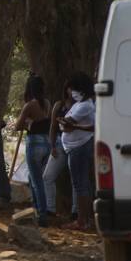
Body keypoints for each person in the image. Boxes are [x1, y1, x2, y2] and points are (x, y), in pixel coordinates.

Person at [13, 74, 51, 226]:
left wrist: (28, 122)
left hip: (34, 143)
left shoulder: (30, 105)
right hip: (46, 143)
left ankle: (42, 214)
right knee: (32, 178)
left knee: (37, 181)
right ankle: (36, 209)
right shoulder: (47, 103)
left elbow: (17, 126)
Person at [60, 72, 96, 230]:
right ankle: (86, 219)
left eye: (72, 89)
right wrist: (65, 124)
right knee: (83, 184)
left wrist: (66, 124)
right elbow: (65, 125)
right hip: (75, 147)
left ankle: (82, 221)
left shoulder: (85, 105)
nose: (70, 92)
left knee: (80, 184)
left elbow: (67, 124)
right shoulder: (79, 104)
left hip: (79, 147)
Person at [43, 82, 77, 219]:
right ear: (66, 89)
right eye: (70, 88)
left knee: (76, 179)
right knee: (47, 176)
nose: (72, 91)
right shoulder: (59, 105)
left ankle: (76, 211)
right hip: (59, 144)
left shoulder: (81, 106)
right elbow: (52, 126)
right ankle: (50, 209)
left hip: (75, 144)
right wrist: (52, 146)